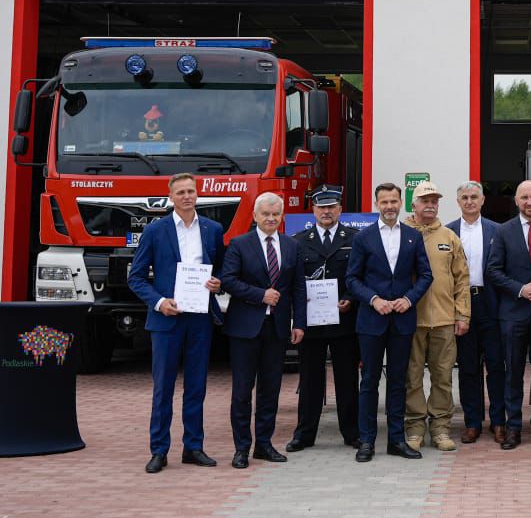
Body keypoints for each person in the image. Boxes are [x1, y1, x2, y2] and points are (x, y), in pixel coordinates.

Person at [128, 172, 224, 474]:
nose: (187, 196)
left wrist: (218, 283)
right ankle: (159, 450)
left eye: (191, 191)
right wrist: (159, 302)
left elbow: (221, 269)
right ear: (171, 198)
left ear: (197, 195)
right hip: (166, 318)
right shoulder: (155, 231)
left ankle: (193, 447)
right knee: (163, 387)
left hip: (200, 318)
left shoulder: (212, 229)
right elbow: (136, 277)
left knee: (196, 385)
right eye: (181, 192)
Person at [346, 182, 434, 462]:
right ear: (376, 204)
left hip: (402, 320)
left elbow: (426, 275)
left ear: (401, 203)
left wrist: (409, 299)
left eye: (394, 201)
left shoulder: (412, 236)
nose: (389, 207)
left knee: (398, 382)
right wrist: (373, 299)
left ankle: (396, 440)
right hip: (371, 320)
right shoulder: (363, 238)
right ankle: (367, 441)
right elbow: (352, 279)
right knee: (369, 381)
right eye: (384, 202)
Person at [219, 192, 308, 468]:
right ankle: (241, 448)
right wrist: (260, 295)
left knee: (270, 390)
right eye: (266, 214)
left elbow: (298, 287)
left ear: (282, 217)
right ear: (255, 216)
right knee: (242, 391)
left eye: (275, 214)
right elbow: (228, 280)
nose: (271, 218)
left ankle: (264, 445)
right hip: (245, 328)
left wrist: (299, 323)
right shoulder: (239, 244)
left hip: (277, 328)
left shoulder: (292, 246)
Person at [288, 185, 360, 452]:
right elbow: (294, 281)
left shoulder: (354, 238)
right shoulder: (298, 241)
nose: (326, 211)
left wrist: (350, 299)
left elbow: (360, 275)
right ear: (313, 210)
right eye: (321, 207)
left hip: (344, 320)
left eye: (331, 207)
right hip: (312, 321)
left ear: (340, 209)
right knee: (310, 381)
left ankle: (352, 433)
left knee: (347, 380)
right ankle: (304, 434)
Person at [488, 180, 531, 449]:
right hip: (513, 314)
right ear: (516, 201)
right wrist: (520, 289)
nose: (529, 202)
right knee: (513, 372)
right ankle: (513, 426)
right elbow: (493, 271)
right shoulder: (503, 231)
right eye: (524, 197)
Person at [402, 180, 470, 452]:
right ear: (414, 204)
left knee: (443, 377)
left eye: (434, 201)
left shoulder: (449, 237)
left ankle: (441, 429)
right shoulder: (402, 234)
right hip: (411, 321)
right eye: (425, 201)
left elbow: (462, 279)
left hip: (443, 321)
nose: (430, 205)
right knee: (412, 377)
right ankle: (415, 429)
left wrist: (462, 315)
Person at [449, 181, 506, 445]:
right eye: (465, 197)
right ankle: (472, 422)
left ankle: (498, 421)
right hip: (461, 305)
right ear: (458, 202)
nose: (470, 201)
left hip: (490, 304)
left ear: (483, 200)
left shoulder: (498, 230)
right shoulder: (448, 231)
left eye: (474, 197)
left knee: (496, 365)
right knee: (468, 367)